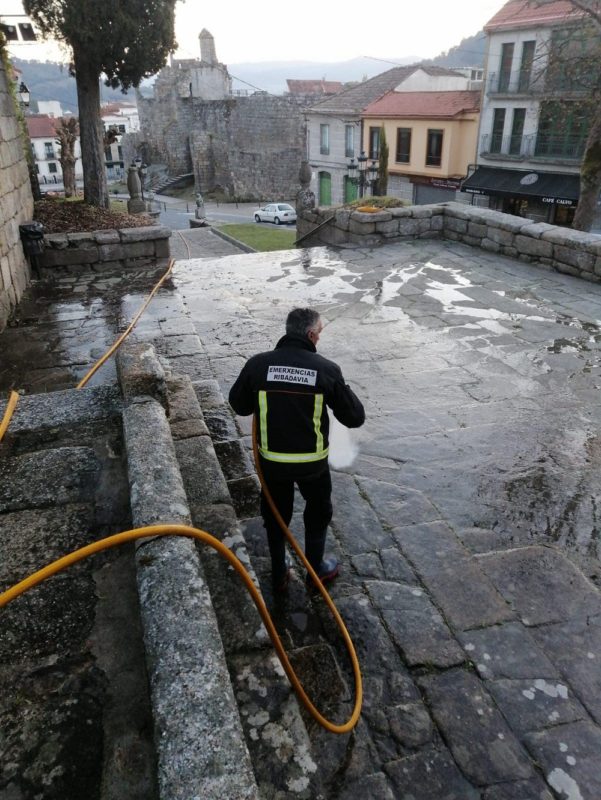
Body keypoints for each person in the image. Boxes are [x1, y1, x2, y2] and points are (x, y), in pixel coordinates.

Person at [228, 308, 365, 592]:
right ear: (311, 335)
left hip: (272, 463)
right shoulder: (326, 369)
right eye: (320, 333)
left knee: (276, 514)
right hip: (312, 465)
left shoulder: (258, 365)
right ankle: (316, 571)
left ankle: (279, 571)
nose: (320, 338)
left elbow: (239, 405)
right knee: (318, 512)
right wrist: (339, 385)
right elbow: (355, 417)